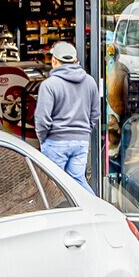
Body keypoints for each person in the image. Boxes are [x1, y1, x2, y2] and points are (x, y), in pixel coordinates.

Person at [35, 40, 101, 192]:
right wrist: (84, 131)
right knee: (78, 181)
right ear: (75, 60)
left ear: (54, 60)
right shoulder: (90, 82)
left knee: (52, 185)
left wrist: (43, 139)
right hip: (81, 142)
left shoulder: (49, 85)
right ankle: (96, 209)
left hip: (55, 141)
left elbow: (42, 119)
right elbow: (95, 112)